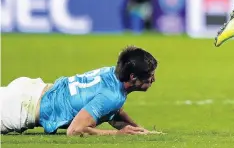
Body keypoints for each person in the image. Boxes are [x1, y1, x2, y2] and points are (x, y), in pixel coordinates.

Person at [1, 46, 162, 135]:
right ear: (133, 77)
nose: (153, 79)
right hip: (21, 108)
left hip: (31, 88)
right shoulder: (112, 96)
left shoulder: (112, 73)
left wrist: (139, 130)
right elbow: (75, 130)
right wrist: (119, 134)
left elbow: (112, 112)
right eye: (150, 75)